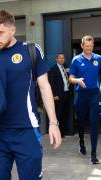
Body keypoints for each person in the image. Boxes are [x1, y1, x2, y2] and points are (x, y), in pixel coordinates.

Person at [0, 9, 61, 180]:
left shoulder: (31, 50)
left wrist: (53, 123)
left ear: (12, 29)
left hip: (26, 131)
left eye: (0, 32)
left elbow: (44, 86)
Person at [69, 35, 101, 164]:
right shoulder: (76, 59)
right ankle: (81, 142)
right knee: (81, 123)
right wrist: (76, 80)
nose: (89, 48)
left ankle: (93, 153)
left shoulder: (98, 58)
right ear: (82, 45)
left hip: (94, 95)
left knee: (94, 123)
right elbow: (70, 78)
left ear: (93, 45)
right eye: (86, 46)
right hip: (81, 95)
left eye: (91, 46)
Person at [48, 53, 71, 137]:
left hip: (66, 94)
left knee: (65, 113)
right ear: (56, 59)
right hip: (58, 95)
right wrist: (55, 94)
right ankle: (57, 133)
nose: (61, 59)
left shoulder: (65, 68)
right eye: (60, 58)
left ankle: (63, 132)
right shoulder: (53, 69)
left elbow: (68, 79)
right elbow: (52, 83)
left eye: (63, 58)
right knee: (58, 114)